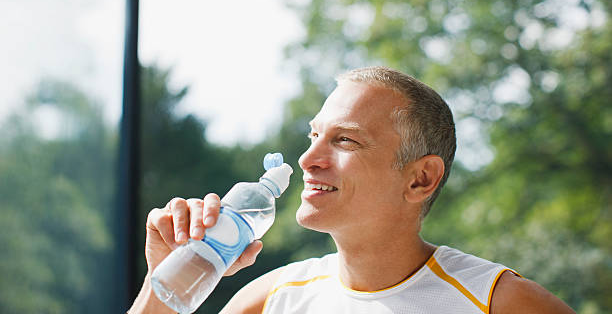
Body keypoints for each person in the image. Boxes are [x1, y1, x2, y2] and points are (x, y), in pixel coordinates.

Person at [129, 66, 575, 314]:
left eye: (345, 140)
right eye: (314, 136)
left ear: (420, 179)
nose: (308, 160)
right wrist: (161, 283)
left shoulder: (499, 302)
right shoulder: (273, 300)